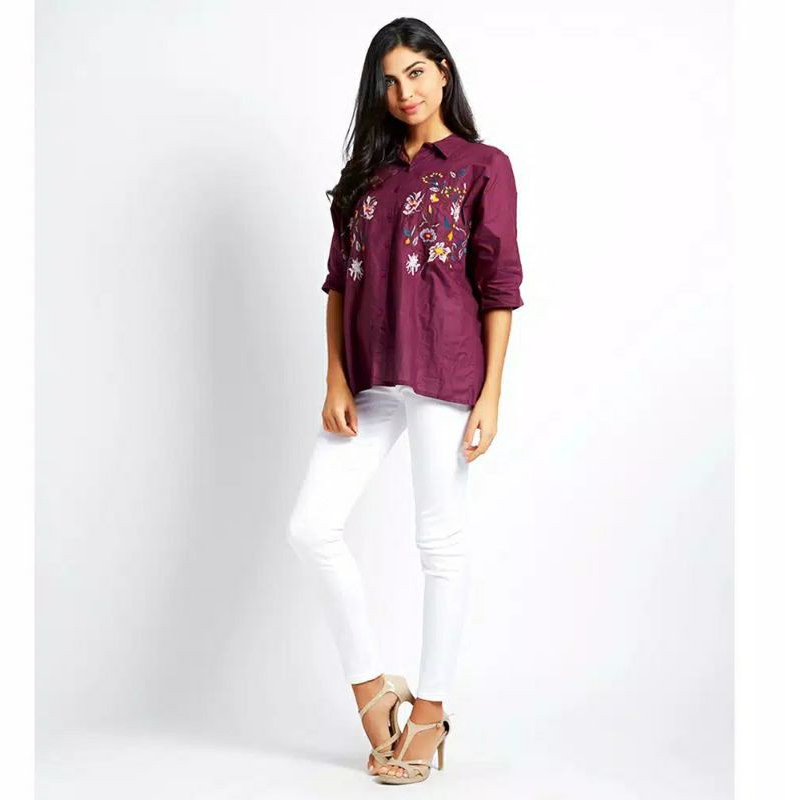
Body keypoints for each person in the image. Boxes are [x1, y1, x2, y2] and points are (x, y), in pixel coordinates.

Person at [287, 16, 524, 785]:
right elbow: (337, 284)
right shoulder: (368, 174)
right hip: (369, 377)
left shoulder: (484, 167)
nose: (404, 91)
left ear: (443, 71)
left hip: (446, 373)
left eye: (416, 73)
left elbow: (499, 288)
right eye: (389, 81)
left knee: (438, 543)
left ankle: (429, 712)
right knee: (311, 527)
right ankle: (371, 690)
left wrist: (490, 393)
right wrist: (334, 377)